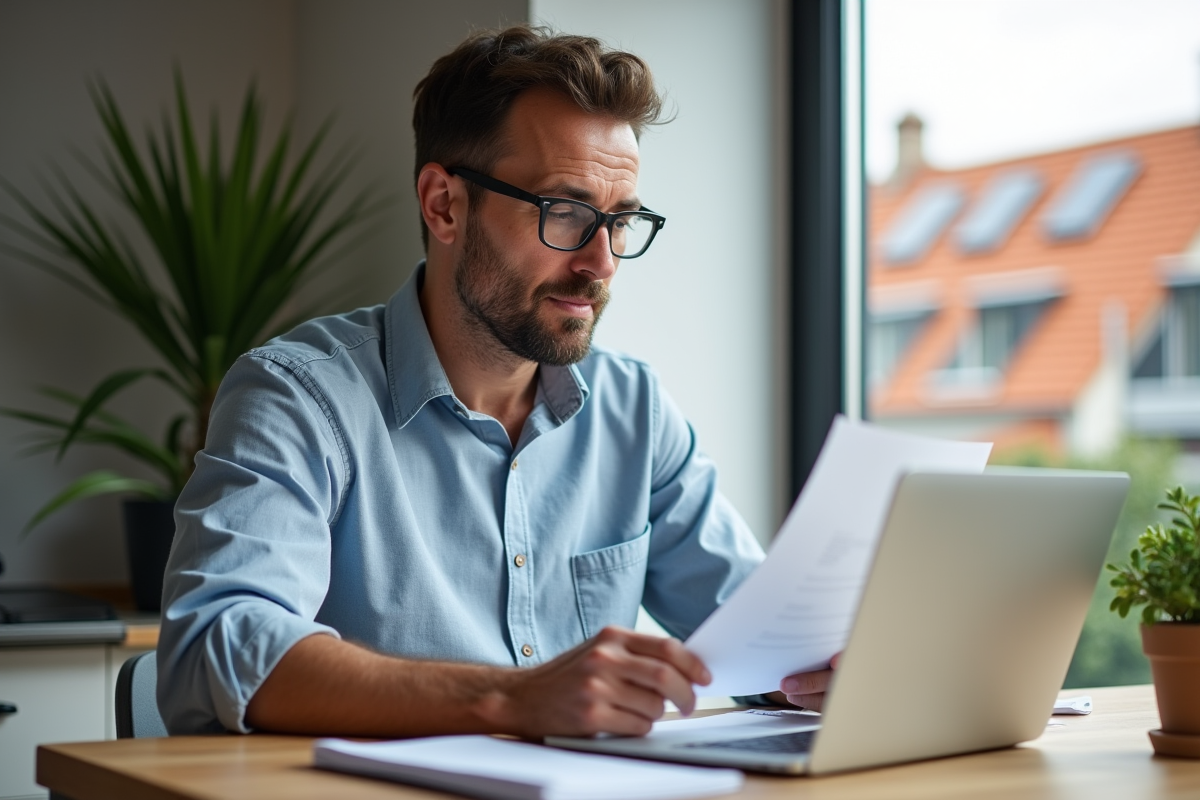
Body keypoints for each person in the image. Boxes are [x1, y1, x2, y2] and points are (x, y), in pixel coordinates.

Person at [157, 25, 836, 738]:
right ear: (444, 205)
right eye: (565, 213)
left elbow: (771, 642)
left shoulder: (634, 413)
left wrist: (832, 665)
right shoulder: (297, 397)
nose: (602, 262)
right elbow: (218, 645)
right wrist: (510, 698)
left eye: (621, 221)